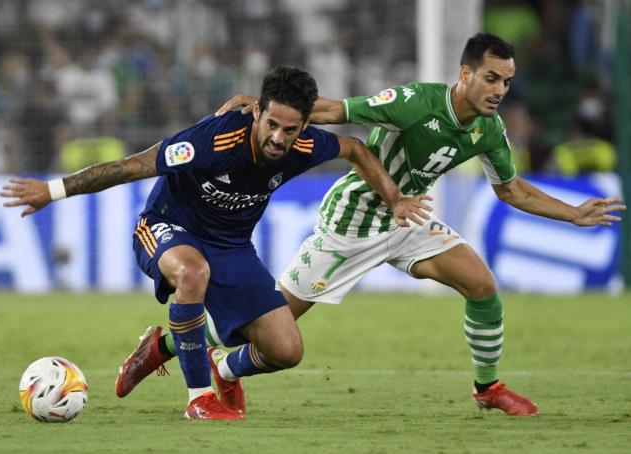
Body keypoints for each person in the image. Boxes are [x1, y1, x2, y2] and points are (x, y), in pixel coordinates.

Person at [120, 33, 625, 417]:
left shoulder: (489, 131)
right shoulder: (417, 102)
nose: (499, 90)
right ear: (465, 74)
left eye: (507, 82)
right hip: (353, 222)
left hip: (409, 216)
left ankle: (487, 388)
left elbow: (512, 190)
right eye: (491, 78)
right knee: (268, 327)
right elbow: (335, 111)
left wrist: (573, 213)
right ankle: (174, 346)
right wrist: (262, 108)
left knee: (482, 284)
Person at [0, 66, 430, 420]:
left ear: (305, 125)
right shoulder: (214, 140)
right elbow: (132, 166)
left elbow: (355, 148)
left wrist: (395, 199)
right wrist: (53, 191)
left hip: (232, 247)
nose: (279, 137)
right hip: (166, 227)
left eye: (291, 129)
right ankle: (199, 399)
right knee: (192, 272)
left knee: (286, 349)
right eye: (272, 124)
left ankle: (185, 356)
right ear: (256, 112)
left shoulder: (306, 145)